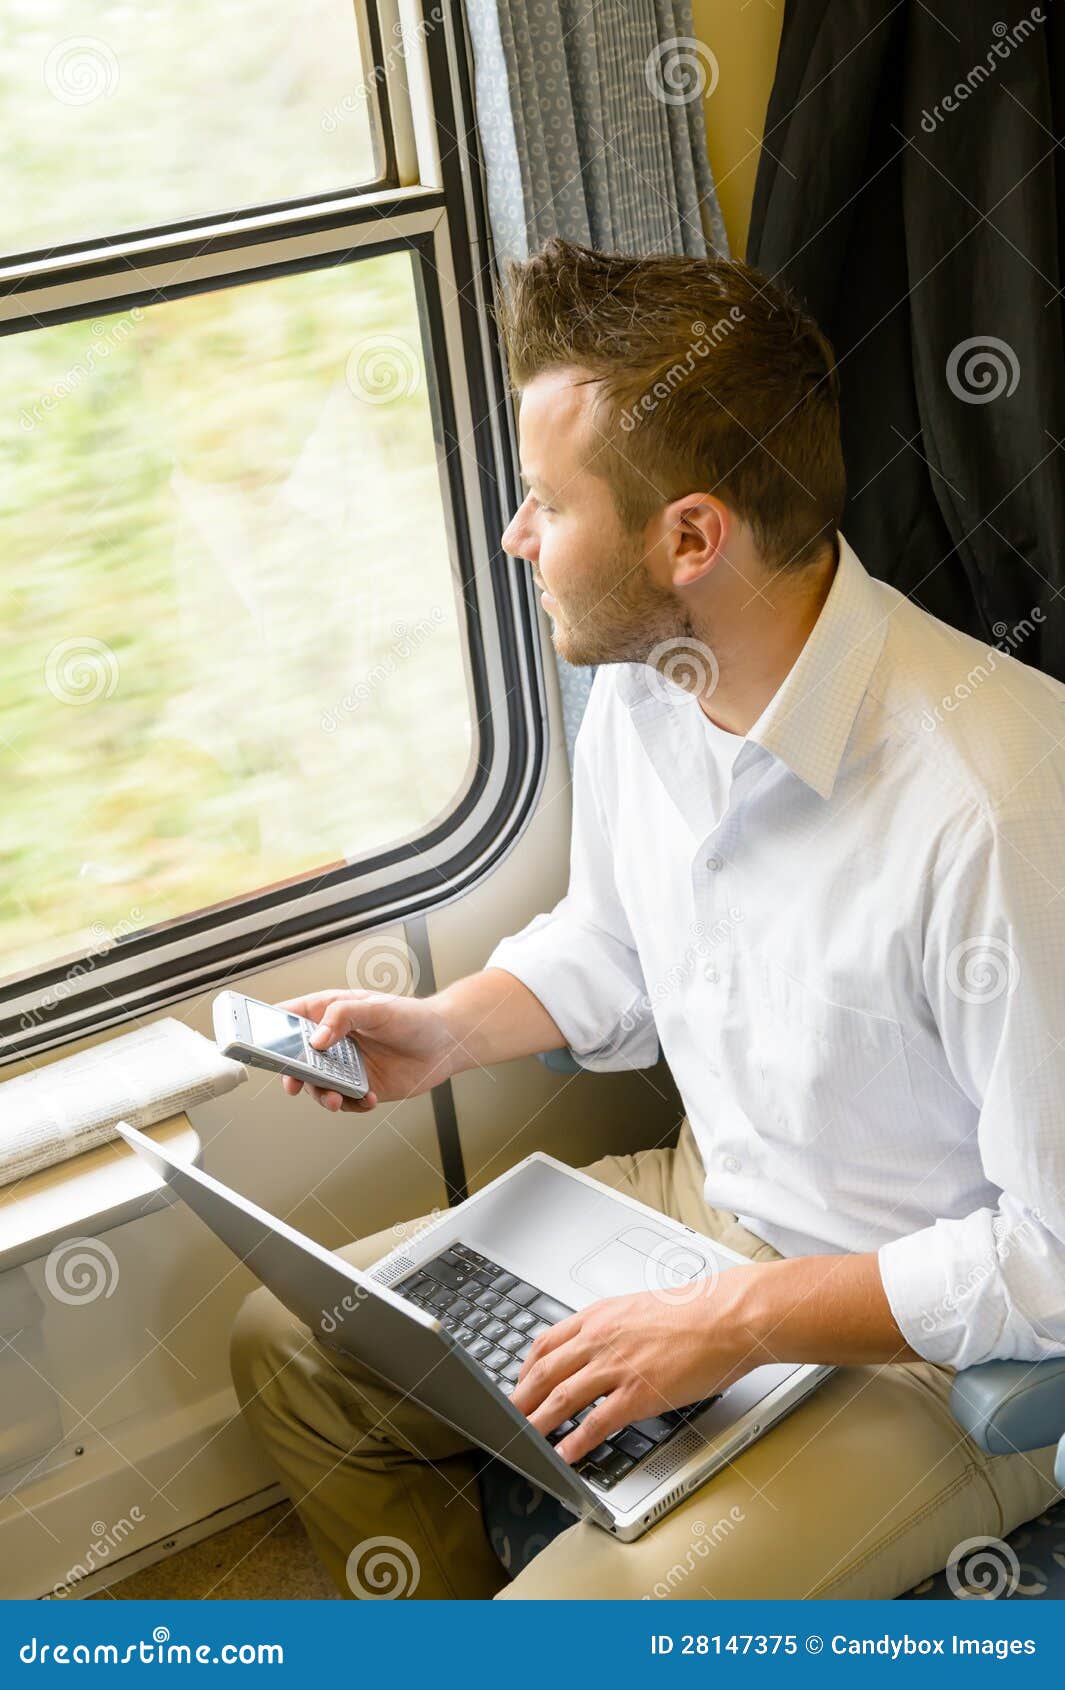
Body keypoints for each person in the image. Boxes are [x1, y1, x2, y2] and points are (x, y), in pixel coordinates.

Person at [230, 239, 1064, 1600]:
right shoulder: (651, 682)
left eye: (544, 504)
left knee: (565, 1638)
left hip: (934, 1351)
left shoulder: (995, 802)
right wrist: (442, 1031)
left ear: (689, 536)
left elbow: (1054, 1251)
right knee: (292, 1342)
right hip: (702, 1208)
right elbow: (615, 946)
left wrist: (731, 1320)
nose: (514, 537)